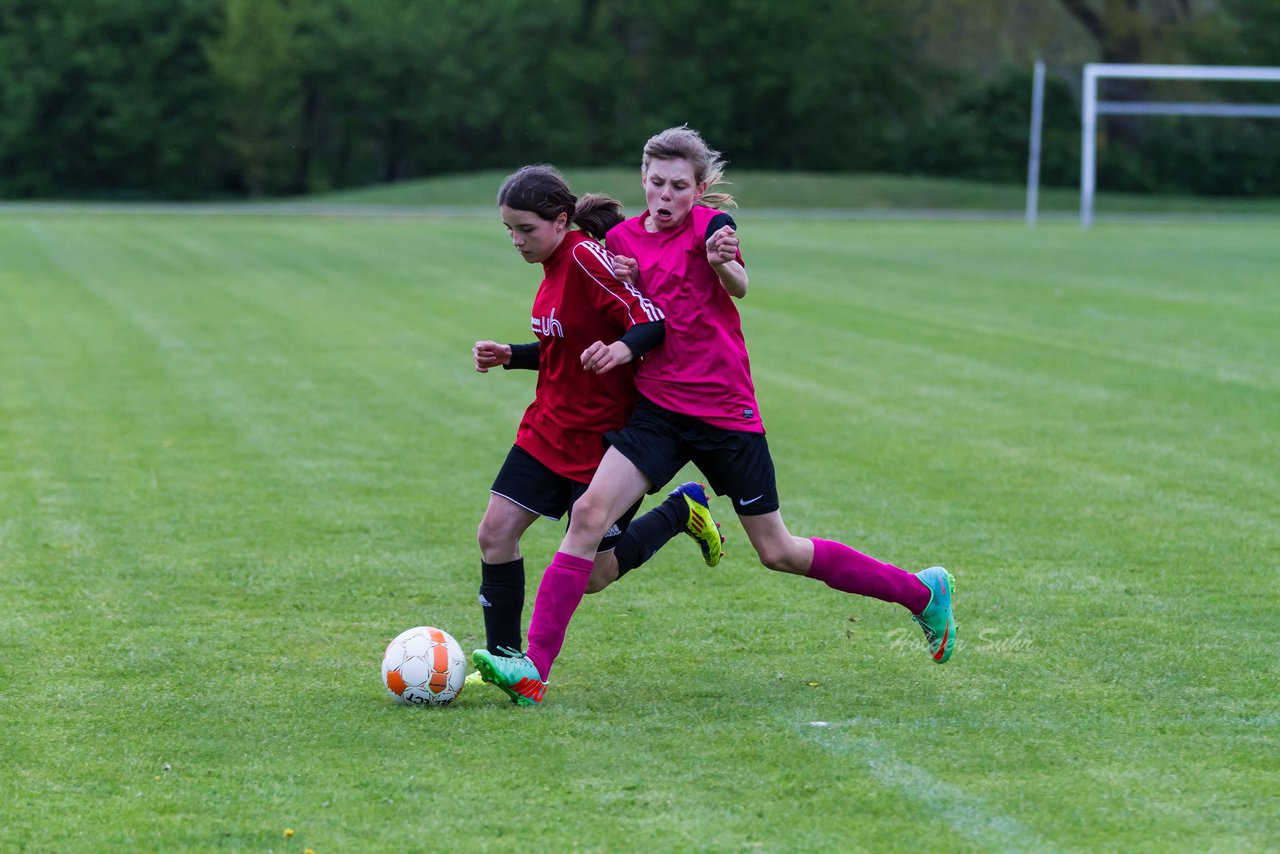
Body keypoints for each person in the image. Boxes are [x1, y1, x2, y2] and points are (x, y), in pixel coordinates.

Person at [472, 131, 957, 706]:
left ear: (700, 189)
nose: (665, 194)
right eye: (656, 182)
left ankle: (922, 594)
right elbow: (597, 289)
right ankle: (533, 671)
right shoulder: (620, 239)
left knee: (779, 551)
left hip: (725, 413)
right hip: (655, 412)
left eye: (679, 185)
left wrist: (723, 264)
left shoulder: (711, 230)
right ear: (643, 180)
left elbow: (741, 286)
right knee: (589, 514)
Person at [470, 165, 725, 694]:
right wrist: (512, 355)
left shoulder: (586, 258)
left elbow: (651, 320)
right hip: (547, 429)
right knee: (494, 533)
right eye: (509, 231)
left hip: (604, 440)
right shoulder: (553, 264)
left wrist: (621, 349)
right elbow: (568, 344)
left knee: (594, 576)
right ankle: (506, 660)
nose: (517, 241)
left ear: (561, 222)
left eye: (526, 230)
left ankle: (683, 511)